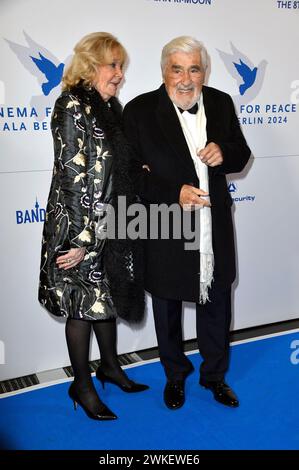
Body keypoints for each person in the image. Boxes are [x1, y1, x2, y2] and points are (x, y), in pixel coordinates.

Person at [123, 36, 251, 410]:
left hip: (214, 223)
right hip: (166, 222)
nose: (185, 78)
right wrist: (171, 192)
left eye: (193, 69)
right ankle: (174, 377)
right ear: (164, 71)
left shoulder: (222, 103)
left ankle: (214, 377)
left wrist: (224, 151)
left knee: (217, 302)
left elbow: (242, 153)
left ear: (204, 71)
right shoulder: (139, 111)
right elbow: (129, 175)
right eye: (177, 69)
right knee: (167, 305)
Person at [39, 32, 148, 421]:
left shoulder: (108, 106)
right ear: (89, 66)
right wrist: (82, 238)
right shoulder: (70, 106)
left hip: (109, 223)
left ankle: (111, 367)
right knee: (82, 306)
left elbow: (117, 165)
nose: (119, 74)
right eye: (112, 65)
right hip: (78, 226)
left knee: (106, 297)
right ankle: (81, 385)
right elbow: (72, 175)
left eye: (121, 66)